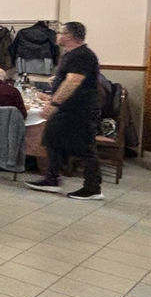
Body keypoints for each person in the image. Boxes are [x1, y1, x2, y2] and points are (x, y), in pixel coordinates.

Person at [26, 21, 103, 199]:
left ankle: (92, 188)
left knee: (85, 148)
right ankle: (52, 178)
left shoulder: (81, 55)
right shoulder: (71, 55)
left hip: (79, 110)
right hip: (67, 109)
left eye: (60, 32)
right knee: (52, 138)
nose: (57, 35)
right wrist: (57, 83)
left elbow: (74, 81)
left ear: (69, 36)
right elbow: (69, 78)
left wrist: (54, 103)